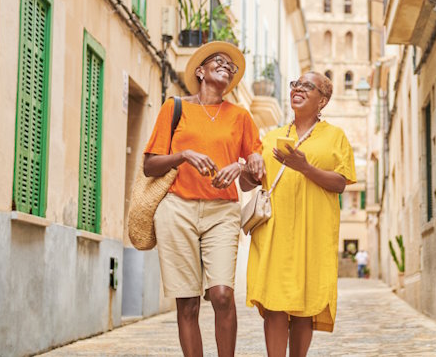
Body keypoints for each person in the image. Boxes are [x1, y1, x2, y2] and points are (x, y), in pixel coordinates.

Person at [143, 41, 265, 357]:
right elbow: (149, 165)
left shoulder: (241, 117)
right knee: (188, 303)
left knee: (222, 294)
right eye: (218, 61)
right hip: (176, 208)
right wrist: (183, 155)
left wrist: (241, 166)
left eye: (231, 65)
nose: (226, 65)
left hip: (222, 210)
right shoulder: (175, 108)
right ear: (200, 71)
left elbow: (253, 179)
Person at [241, 71, 356, 357]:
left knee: (305, 302)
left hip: (313, 229)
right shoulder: (271, 137)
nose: (298, 89)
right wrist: (247, 170)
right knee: (275, 303)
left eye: (307, 86)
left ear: (323, 100)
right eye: (296, 84)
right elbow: (249, 183)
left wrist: (304, 167)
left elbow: (340, 183)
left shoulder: (335, 137)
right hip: (274, 230)